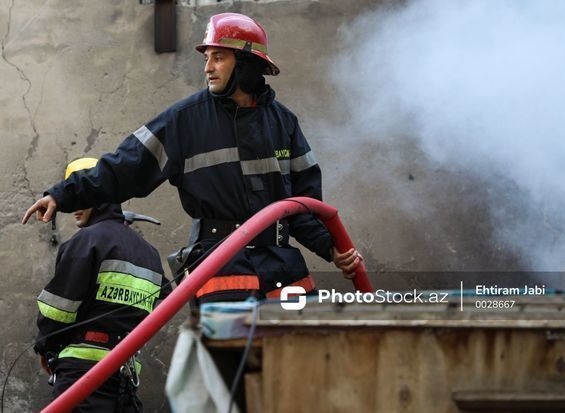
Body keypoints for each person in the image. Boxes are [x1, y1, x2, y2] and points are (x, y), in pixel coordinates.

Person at [22, 12, 362, 304]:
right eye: (207, 58)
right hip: (222, 268)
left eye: (218, 57)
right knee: (231, 358)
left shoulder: (283, 122)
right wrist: (62, 195)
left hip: (283, 268)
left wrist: (330, 248)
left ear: (245, 64)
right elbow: (124, 167)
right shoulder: (184, 121)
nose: (208, 68)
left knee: (302, 355)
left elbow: (304, 205)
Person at [34, 158, 171, 412]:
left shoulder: (86, 241)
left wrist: (45, 347)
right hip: (125, 375)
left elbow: (58, 309)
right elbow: (163, 302)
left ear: (99, 192)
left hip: (82, 374)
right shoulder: (150, 253)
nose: (75, 207)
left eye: (81, 196)